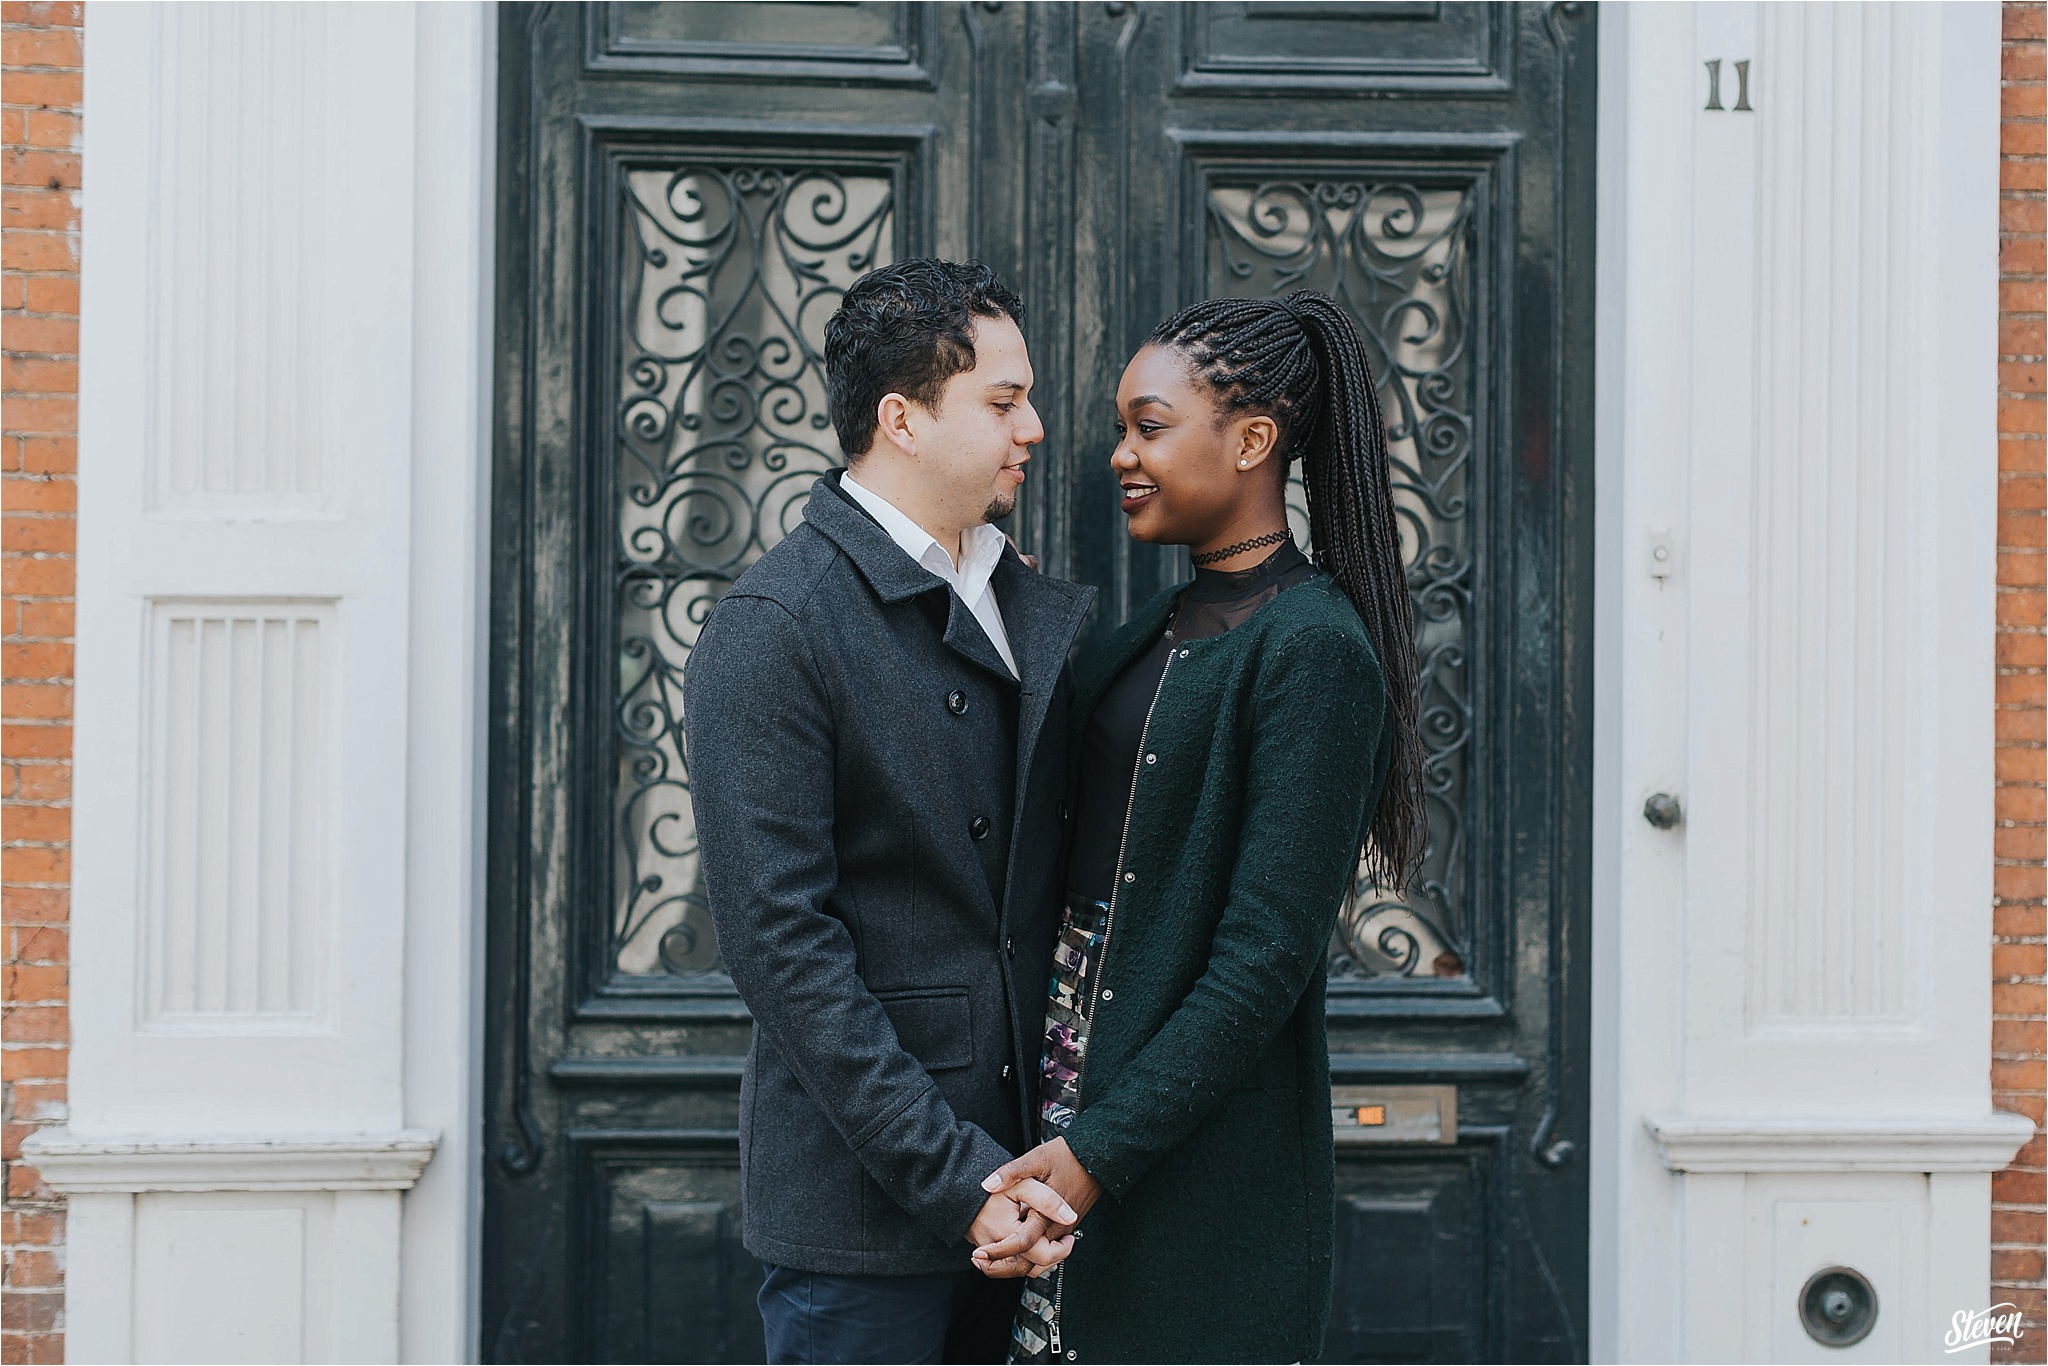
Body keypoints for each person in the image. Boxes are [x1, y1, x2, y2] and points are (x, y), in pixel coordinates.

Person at [973, 291, 1429, 1364]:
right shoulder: (1149, 632)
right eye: (1123, 429)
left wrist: (1095, 1153)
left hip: (1183, 1157)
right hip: (1056, 1093)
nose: (1120, 454)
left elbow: (1263, 959)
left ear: (1253, 438)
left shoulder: (1311, 651)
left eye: (1149, 425)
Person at [682, 259, 1094, 1365]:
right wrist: (958, 1180)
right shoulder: (775, 624)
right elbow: (782, 946)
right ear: (900, 419)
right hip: (864, 1225)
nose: (1035, 427)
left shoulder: (1027, 598)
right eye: (1003, 402)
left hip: (1039, 1207)